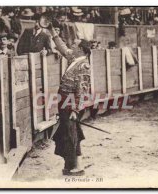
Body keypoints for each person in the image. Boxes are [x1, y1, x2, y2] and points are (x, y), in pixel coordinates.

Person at [48, 23, 91, 176]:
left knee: (71, 134)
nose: (71, 45)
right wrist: (53, 33)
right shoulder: (74, 58)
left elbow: (82, 90)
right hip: (65, 101)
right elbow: (62, 47)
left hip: (71, 103)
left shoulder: (83, 65)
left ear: (81, 49)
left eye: (74, 44)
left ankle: (77, 167)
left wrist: (75, 109)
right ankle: (73, 165)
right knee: (70, 133)